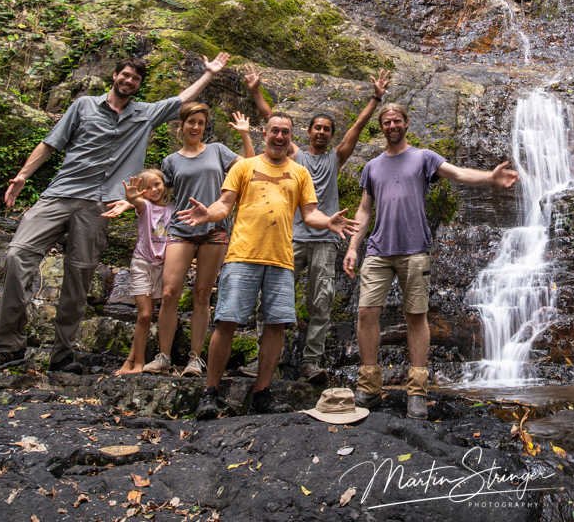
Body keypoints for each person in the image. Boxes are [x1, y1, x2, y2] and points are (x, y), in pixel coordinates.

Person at [0, 53, 229, 375]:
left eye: (135, 79)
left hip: (99, 207)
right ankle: (9, 347)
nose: (128, 81)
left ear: (139, 85)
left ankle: (63, 354)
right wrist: (24, 175)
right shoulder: (83, 106)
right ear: (114, 76)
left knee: (79, 277)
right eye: (124, 75)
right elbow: (50, 143)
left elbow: (180, 99)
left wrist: (208, 73)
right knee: (17, 255)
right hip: (61, 193)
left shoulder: (144, 115)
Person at [344, 102, 518, 419]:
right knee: (367, 312)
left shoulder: (424, 158)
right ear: (381, 127)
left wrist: (490, 179)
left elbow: (457, 173)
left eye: (397, 120)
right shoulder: (372, 167)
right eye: (387, 121)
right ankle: (369, 385)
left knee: (416, 315)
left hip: (414, 249)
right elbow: (364, 210)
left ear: (406, 124)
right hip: (379, 250)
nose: (392, 125)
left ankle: (417, 390)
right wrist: (354, 246)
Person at [177, 114, 358, 417]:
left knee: (276, 326)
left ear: (290, 137)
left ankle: (262, 391)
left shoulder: (300, 173)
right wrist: (209, 214)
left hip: (281, 259)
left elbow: (310, 213)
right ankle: (210, 391)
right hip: (243, 255)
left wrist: (328, 221)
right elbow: (225, 204)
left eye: (285, 132)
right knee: (227, 321)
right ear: (265, 133)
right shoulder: (244, 167)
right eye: (275, 130)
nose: (279, 136)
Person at [244, 64, 391, 384]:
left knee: (321, 301)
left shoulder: (334, 159)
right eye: (317, 128)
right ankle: (266, 359)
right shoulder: (297, 156)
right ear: (308, 133)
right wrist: (256, 91)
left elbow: (356, 129)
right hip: (292, 238)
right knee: (274, 297)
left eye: (327, 129)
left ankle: (311, 361)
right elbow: (273, 121)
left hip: (324, 240)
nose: (322, 132)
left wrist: (375, 100)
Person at [142, 104, 254, 375]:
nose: (195, 127)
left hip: (215, 230)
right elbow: (157, 194)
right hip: (181, 229)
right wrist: (132, 202)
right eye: (191, 121)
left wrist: (245, 135)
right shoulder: (170, 161)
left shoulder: (217, 151)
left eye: (201, 122)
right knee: (169, 293)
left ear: (205, 127)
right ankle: (163, 356)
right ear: (181, 125)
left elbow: (250, 166)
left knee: (202, 294)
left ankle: (195, 358)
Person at [109, 169, 170, 375]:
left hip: (164, 266)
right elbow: (138, 203)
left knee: (160, 312)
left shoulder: (173, 208)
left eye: (157, 184)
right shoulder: (145, 207)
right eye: (148, 187)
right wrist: (132, 199)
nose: (154, 190)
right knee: (144, 315)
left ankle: (135, 361)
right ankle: (136, 362)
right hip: (142, 263)